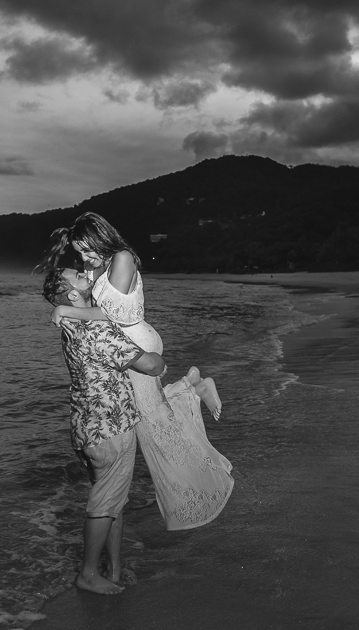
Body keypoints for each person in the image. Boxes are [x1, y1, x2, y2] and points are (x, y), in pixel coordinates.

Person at [39, 212, 234, 531]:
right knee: (149, 417)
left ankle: (196, 399)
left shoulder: (123, 258)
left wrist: (65, 309)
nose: (84, 259)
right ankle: (193, 386)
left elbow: (111, 313)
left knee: (156, 427)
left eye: (86, 250)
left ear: (99, 237)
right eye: (80, 254)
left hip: (135, 342)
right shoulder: (99, 264)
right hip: (123, 345)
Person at [43, 266, 168, 595]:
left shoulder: (71, 326)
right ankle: (87, 574)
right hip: (111, 427)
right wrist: (158, 355)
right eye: (79, 277)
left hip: (85, 428)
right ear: (72, 294)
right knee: (103, 504)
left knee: (112, 499)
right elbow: (151, 365)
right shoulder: (95, 328)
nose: (87, 275)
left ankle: (113, 568)